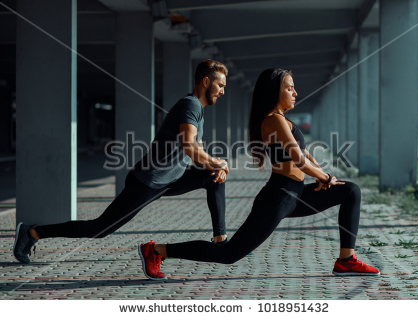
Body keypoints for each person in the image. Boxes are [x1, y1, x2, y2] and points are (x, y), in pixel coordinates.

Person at [137, 68, 380, 280]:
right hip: (279, 197)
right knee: (228, 254)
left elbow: (306, 155)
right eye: (290, 88)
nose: (295, 93)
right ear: (275, 91)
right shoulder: (273, 120)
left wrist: (324, 176)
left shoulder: (285, 121)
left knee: (350, 191)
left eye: (294, 88)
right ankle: (157, 250)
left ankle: (346, 260)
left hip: (296, 194)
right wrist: (325, 177)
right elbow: (298, 158)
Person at [14, 59, 231, 266]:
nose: (222, 91)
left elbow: (198, 148)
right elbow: (189, 147)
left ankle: (221, 242)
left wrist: (215, 166)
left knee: (213, 178)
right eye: (220, 85)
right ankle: (32, 232)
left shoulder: (198, 110)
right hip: (148, 182)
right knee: (99, 229)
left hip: (171, 179)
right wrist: (217, 163)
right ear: (205, 82)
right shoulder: (190, 105)